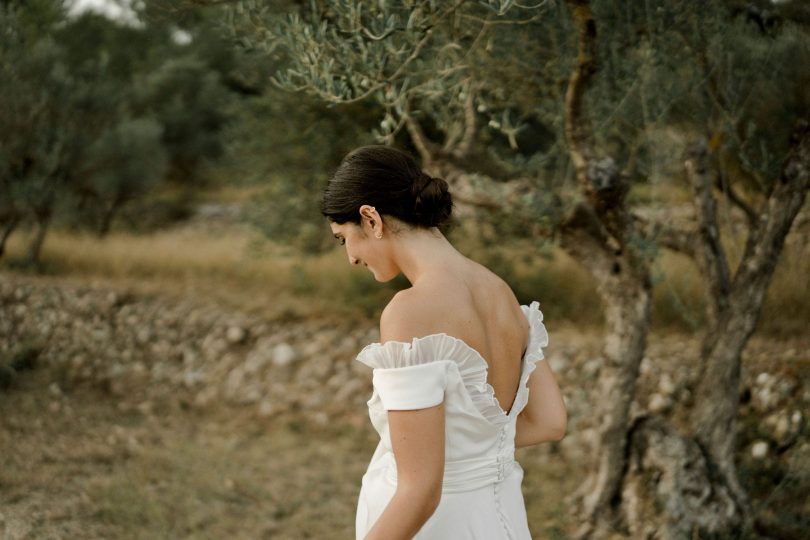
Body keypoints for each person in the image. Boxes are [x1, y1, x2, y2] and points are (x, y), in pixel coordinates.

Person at [320, 145, 567, 540]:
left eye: (342, 238)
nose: (350, 257)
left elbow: (420, 492)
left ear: (370, 218)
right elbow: (550, 422)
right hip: (500, 519)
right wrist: (473, 454)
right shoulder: (500, 293)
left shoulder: (409, 312)